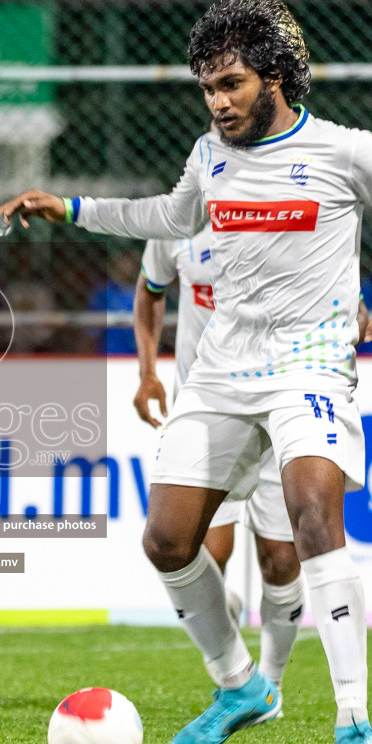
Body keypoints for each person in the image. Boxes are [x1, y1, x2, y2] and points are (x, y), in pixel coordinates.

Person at [0, 0, 372, 744]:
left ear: (275, 75)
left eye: (231, 83)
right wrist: (68, 206)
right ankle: (238, 685)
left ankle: (352, 722)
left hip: (310, 365)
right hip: (223, 369)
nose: (219, 101)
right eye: (207, 88)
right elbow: (169, 218)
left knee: (311, 518)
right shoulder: (211, 155)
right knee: (166, 539)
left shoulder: (346, 151)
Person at [133, 233, 346, 697]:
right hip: (208, 410)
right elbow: (149, 289)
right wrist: (148, 372)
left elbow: (341, 291)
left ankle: (269, 684)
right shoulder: (176, 222)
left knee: (281, 558)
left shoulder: (287, 212)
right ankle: (238, 671)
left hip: (280, 407)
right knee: (199, 546)